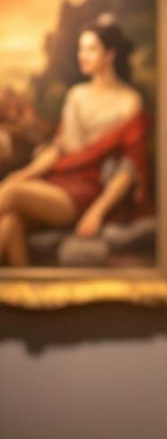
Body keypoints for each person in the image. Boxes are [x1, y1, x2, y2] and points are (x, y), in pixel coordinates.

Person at [0, 17, 149, 266]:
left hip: (90, 190)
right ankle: (30, 294)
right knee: (10, 220)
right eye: (81, 48)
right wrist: (24, 174)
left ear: (110, 54)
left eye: (91, 49)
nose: (83, 55)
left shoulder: (129, 101)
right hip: (61, 181)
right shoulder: (76, 95)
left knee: (12, 193)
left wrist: (96, 211)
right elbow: (59, 150)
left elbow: (128, 169)